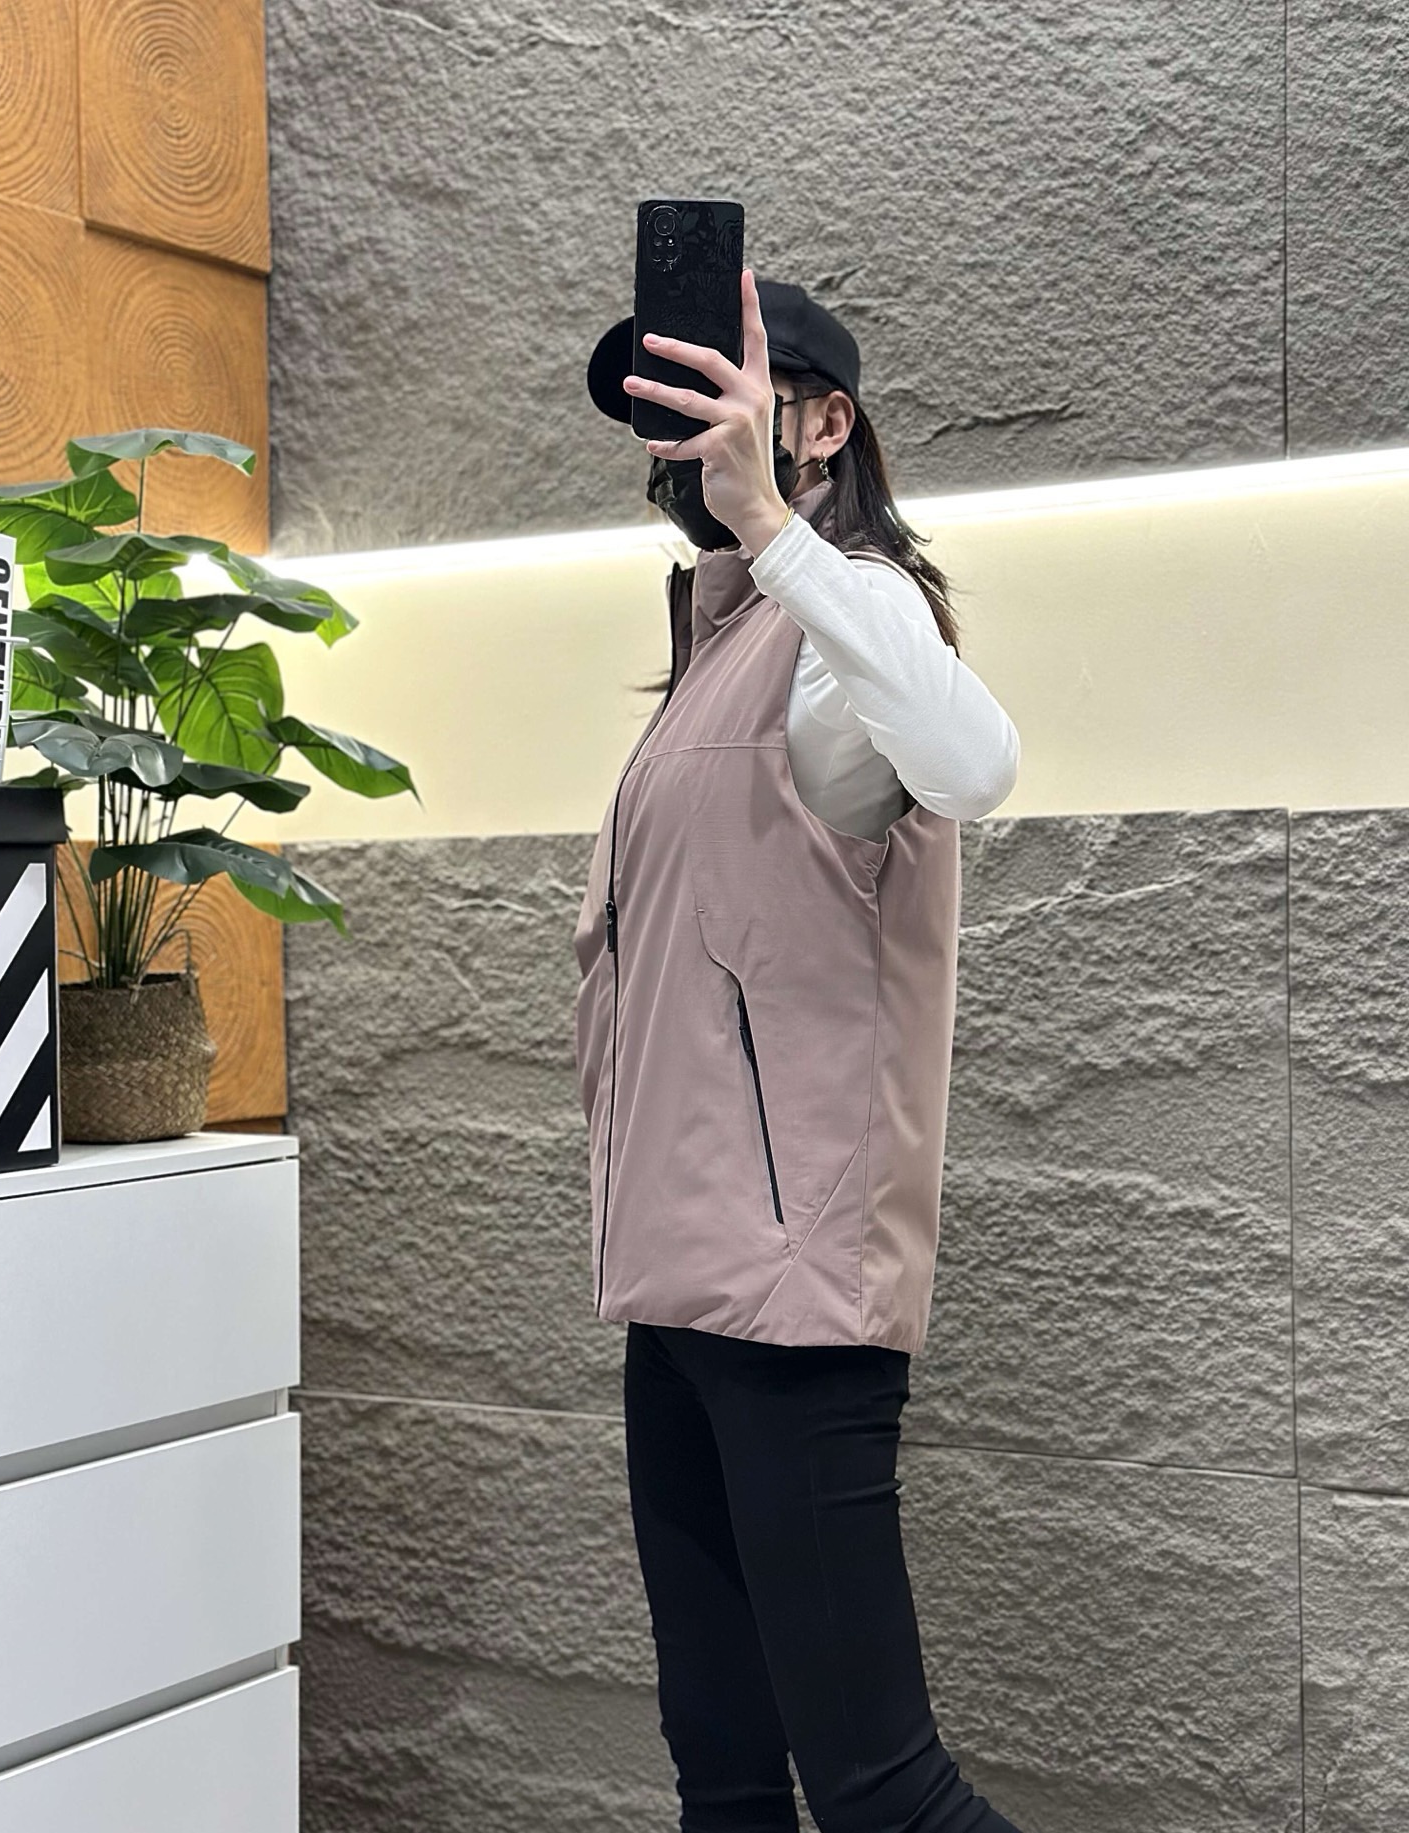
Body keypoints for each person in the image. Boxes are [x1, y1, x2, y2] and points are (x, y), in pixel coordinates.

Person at [575, 267, 1028, 1833]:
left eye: (717, 391)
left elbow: (976, 758)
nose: (675, 433)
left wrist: (775, 529)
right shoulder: (719, 651)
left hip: (794, 1301)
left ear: (822, 423)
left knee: (882, 1789)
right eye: (661, 406)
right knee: (721, 1777)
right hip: (672, 1293)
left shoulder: (850, 624)